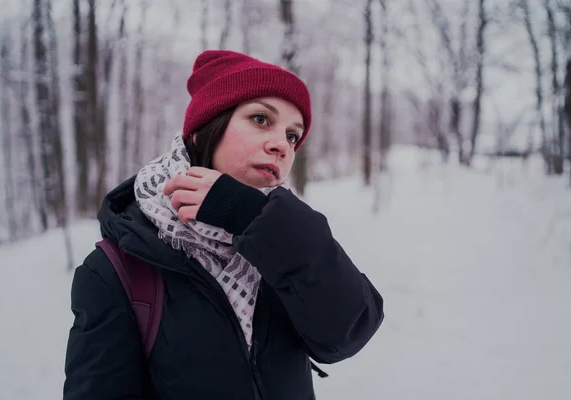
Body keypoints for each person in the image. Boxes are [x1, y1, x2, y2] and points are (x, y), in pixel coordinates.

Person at [63, 49, 384, 400]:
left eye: (293, 136)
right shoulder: (117, 270)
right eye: (261, 119)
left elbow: (349, 332)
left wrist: (254, 217)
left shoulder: (284, 238)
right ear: (204, 131)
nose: (282, 145)